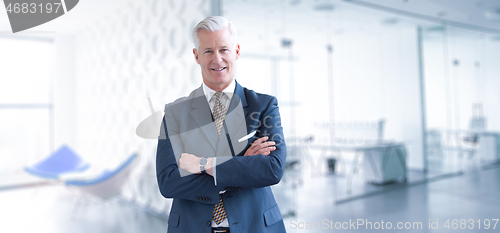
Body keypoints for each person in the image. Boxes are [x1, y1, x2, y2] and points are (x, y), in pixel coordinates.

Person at [156, 16, 287, 233]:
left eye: (224, 49)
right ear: (196, 55)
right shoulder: (175, 113)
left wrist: (202, 164)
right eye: (208, 51)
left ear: (236, 51)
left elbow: (273, 169)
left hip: (255, 225)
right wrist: (241, 165)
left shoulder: (264, 106)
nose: (217, 60)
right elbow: (168, 182)